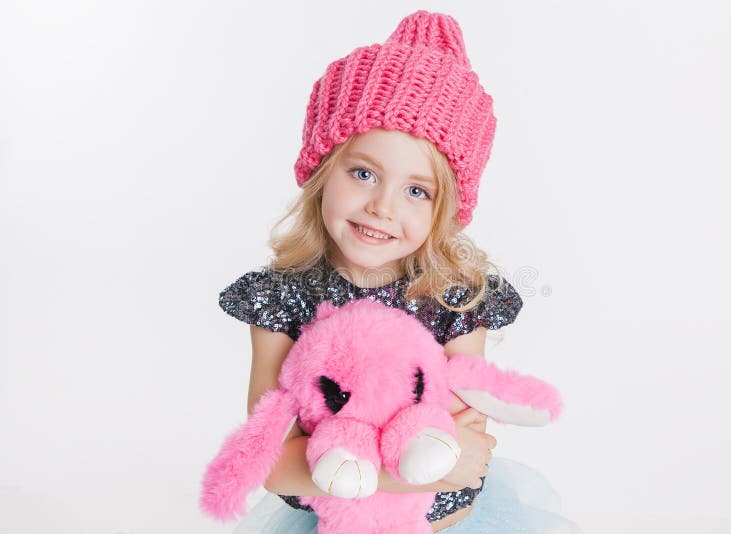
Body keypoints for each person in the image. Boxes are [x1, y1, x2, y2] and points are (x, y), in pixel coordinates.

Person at [217, 10, 580, 533]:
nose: (383, 207)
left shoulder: (454, 297)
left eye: (416, 190)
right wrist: (397, 477)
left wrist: (434, 466)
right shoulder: (281, 298)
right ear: (322, 170)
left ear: (445, 207)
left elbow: (460, 444)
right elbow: (270, 464)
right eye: (363, 173)